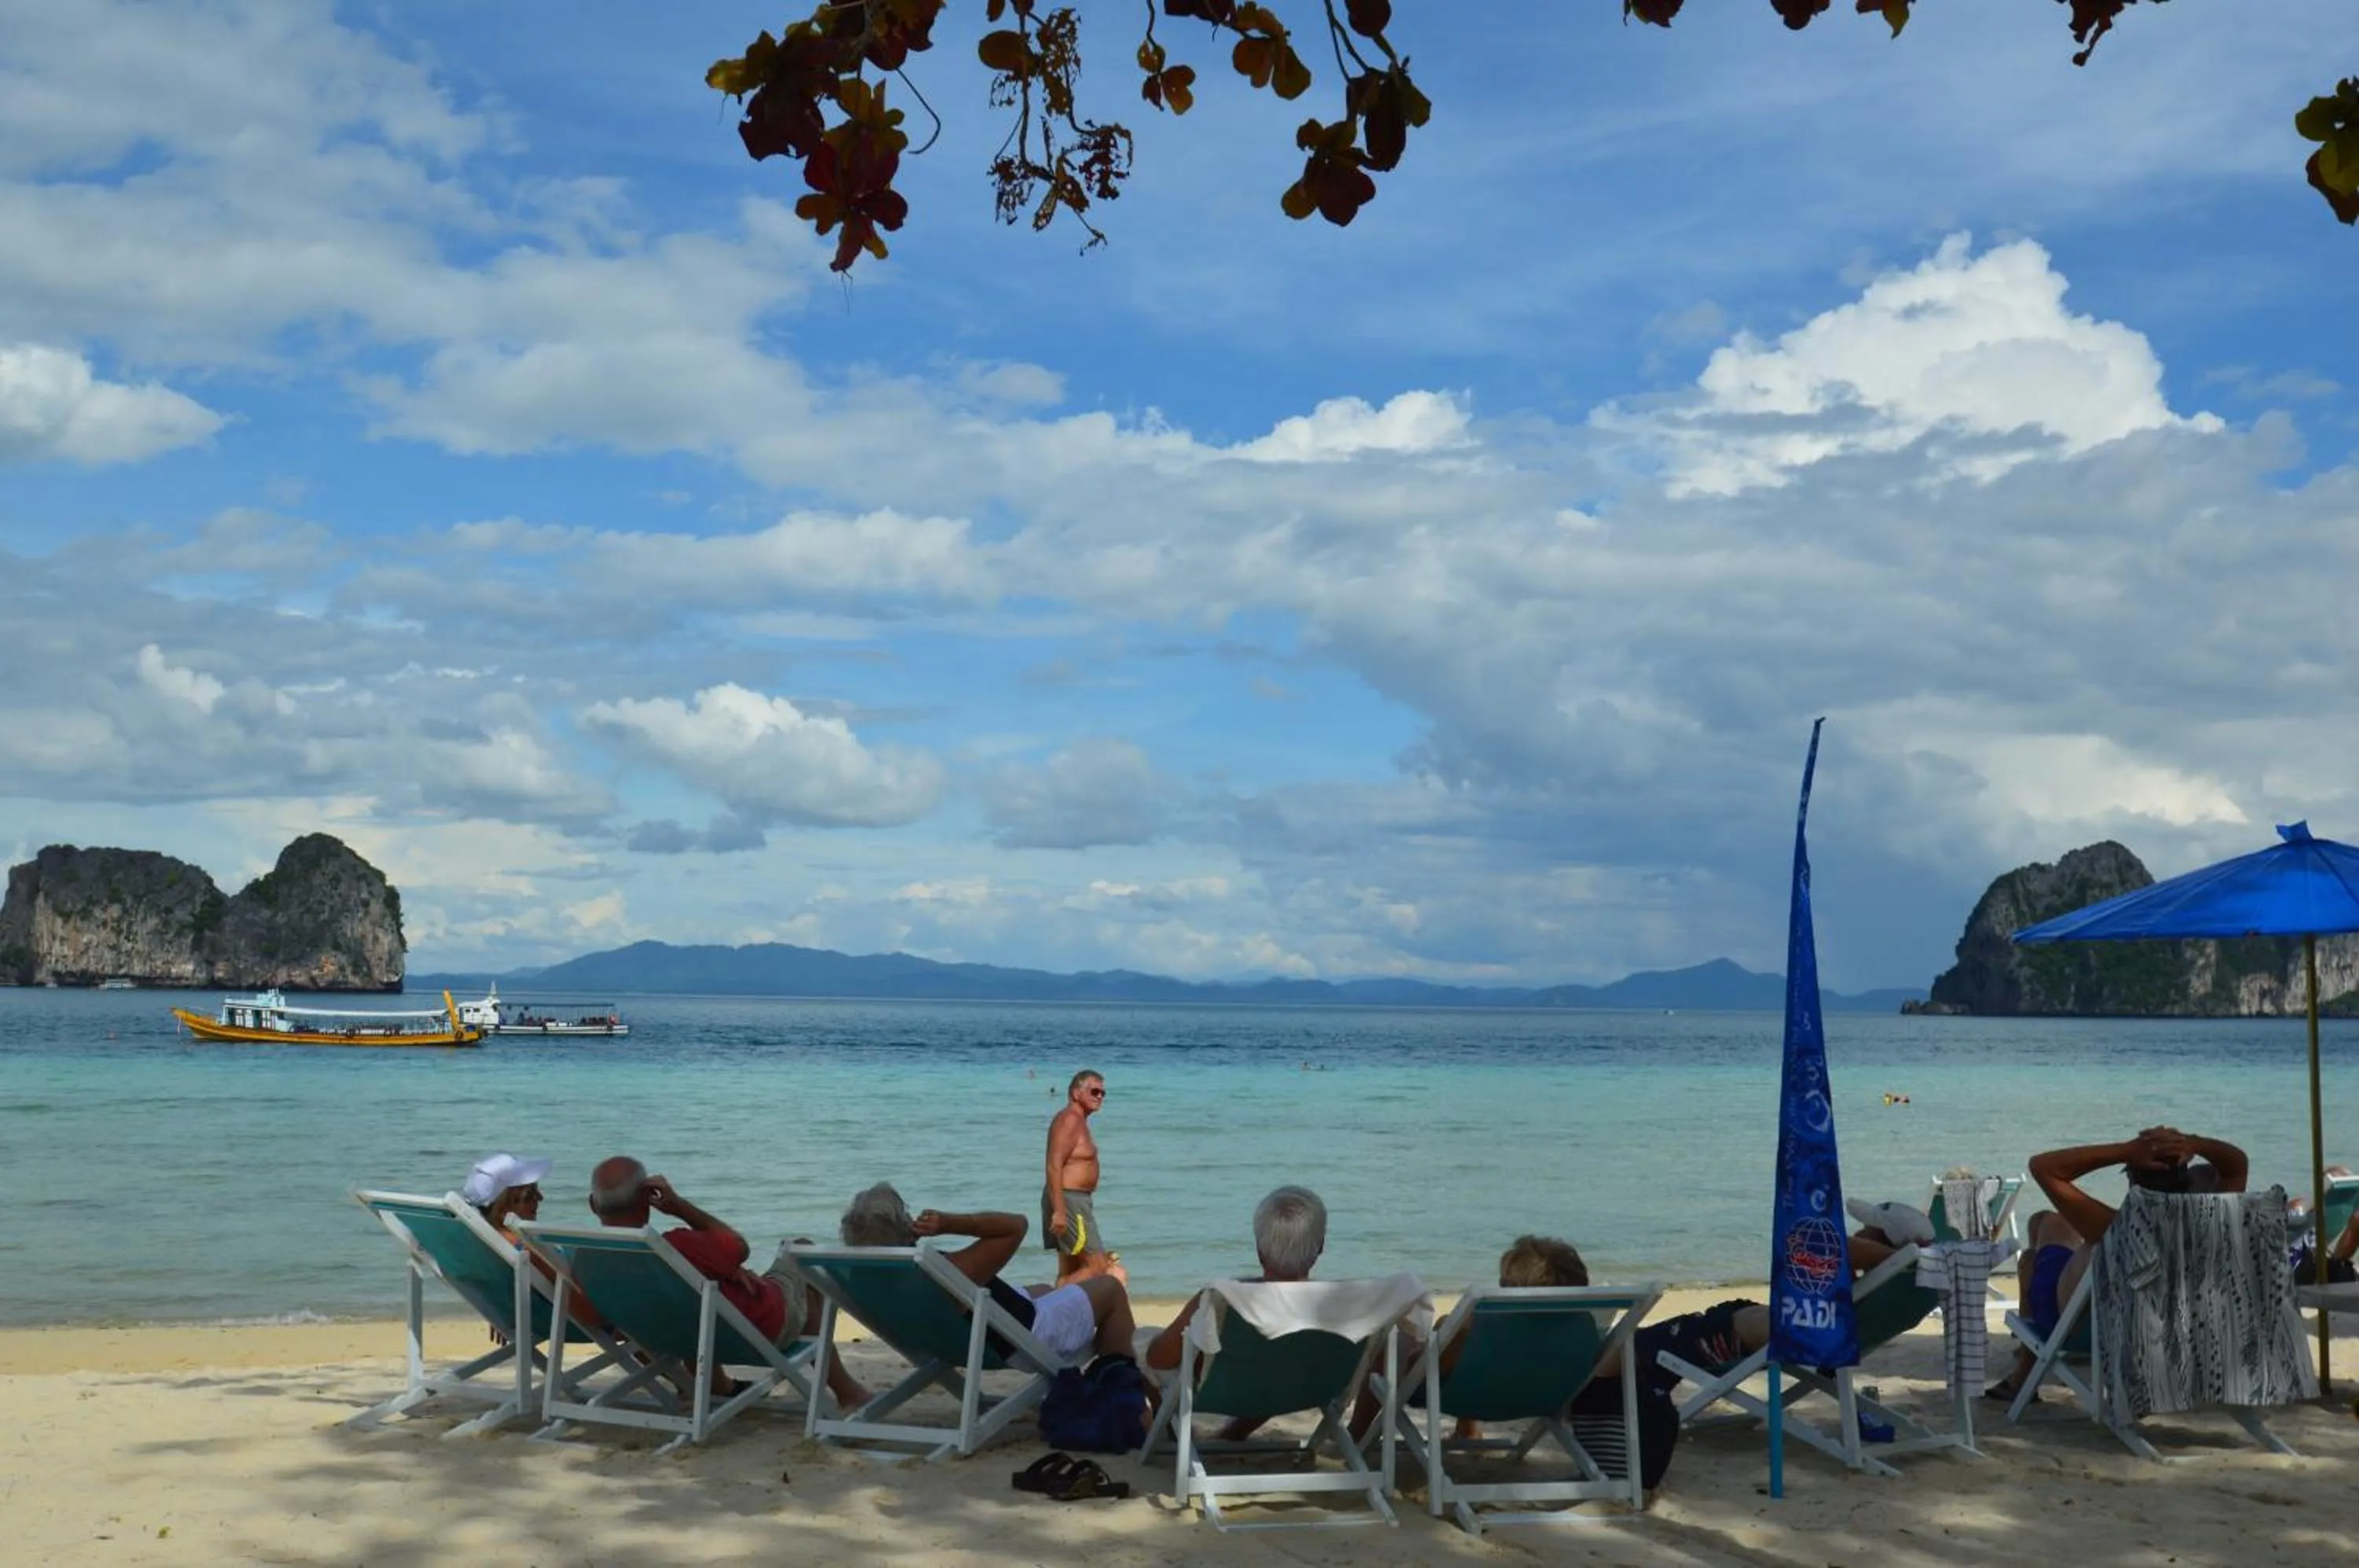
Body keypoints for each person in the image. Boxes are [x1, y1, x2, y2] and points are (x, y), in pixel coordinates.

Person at [1983, 1125, 2248, 1402]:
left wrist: (2125, 1151)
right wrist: (2191, 1142)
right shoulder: (2212, 1225)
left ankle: (2025, 1374)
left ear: (2132, 1176)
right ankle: (2023, 1372)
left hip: (2095, 1332)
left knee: (2037, 1241)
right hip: (2192, 1332)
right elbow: (2236, 1165)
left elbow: (2043, 1166)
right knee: (2045, 1229)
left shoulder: (2116, 1228)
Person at [586, 1155, 867, 1411]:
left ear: (592, 1204)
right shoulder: (678, 1247)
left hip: (682, 1341)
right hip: (761, 1330)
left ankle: (713, 1384)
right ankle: (845, 1390)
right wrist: (679, 1206)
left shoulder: (592, 1261)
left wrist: (724, 1268)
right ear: (648, 1198)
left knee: (695, 1299)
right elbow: (739, 1246)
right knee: (802, 1251)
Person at [838, 1182, 1141, 1367]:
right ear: (905, 1228)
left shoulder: (870, 1277)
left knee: (1043, 1291)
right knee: (1111, 1287)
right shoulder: (941, 1273)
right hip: (1016, 1343)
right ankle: (1119, 1381)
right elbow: (1015, 1226)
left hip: (950, 1343)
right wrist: (949, 1223)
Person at [1144, 1184, 1327, 1441]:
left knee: (1144, 1345)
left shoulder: (1220, 1299)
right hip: (1299, 1390)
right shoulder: (1343, 1306)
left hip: (1228, 1392)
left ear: (1259, 1250)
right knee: (1278, 1367)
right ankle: (1233, 1434)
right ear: (1320, 1246)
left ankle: (1173, 1431)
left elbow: (1158, 1360)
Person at [1043, 1069, 1115, 1283]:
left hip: (1070, 1200)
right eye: (1094, 1091)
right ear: (1076, 1093)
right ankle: (1048, 1307)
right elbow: (1053, 1165)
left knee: (1069, 1271)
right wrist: (1059, 1210)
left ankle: (1056, 1314)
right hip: (1069, 1201)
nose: (1100, 1097)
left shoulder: (1077, 1121)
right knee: (1098, 1266)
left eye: (1103, 1093)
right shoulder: (1070, 1120)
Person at [461, 1151, 551, 1237]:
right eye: (529, 1195)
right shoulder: (523, 1247)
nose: (540, 1198)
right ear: (502, 1210)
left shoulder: (479, 1240)